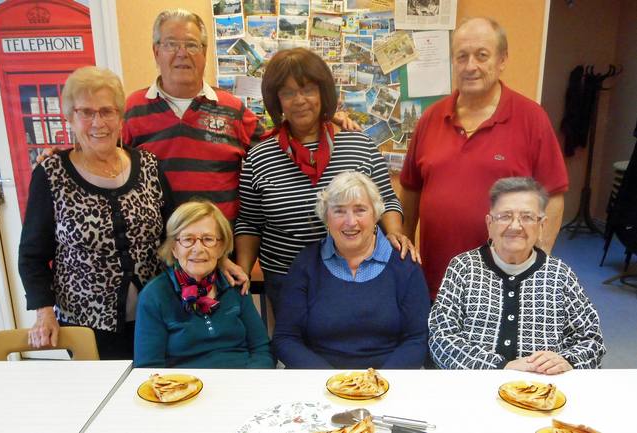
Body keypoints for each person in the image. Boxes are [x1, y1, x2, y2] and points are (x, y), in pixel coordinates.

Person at [123, 8, 358, 219]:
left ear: (204, 52)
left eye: (192, 45)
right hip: (156, 247)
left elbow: (279, 143)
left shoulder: (232, 108)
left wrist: (324, 120)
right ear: (156, 52)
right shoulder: (131, 109)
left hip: (221, 247)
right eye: (171, 44)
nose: (182, 53)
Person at [234, 48, 418, 314]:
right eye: (287, 92)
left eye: (307, 89)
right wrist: (244, 273)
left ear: (323, 93)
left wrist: (394, 233)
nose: (299, 100)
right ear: (277, 100)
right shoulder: (259, 156)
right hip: (286, 279)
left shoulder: (360, 144)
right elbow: (249, 221)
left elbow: (387, 200)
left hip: (357, 273)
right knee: (294, 348)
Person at [400, 17, 569, 300]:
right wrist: (404, 251)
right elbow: (411, 188)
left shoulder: (531, 118)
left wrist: (538, 260)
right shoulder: (431, 117)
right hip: (436, 282)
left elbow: (553, 195)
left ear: (502, 59)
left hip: (506, 285)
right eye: (461, 57)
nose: (470, 66)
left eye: (482, 55)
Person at [19, 66, 173, 359]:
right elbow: (31, 254)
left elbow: (175, 233)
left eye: (106, 111)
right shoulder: (51, 173)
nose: (97, 122)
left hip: (155, 313)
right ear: (70, 118)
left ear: (120, 116)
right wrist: (43, 311)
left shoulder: (149, 166)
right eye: (85, 112)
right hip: (86, 322)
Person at [429, 177, 605, 373]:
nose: (515, 226)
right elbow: (440, 338)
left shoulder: (559, 275)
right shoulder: (463, 268)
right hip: (475, 387)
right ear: (490, 223)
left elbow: (592, 341)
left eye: (527, 217)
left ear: (541, 225)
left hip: (541, 390)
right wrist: (502, 367)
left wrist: (567, 361)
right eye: (505, 216)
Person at [273, 171, 430, 369]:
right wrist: (334, 381)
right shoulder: (306, 264)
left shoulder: (404, 264)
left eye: (360, 210)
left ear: (375, 214)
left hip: (389, 383)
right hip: (318, 382)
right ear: (326, 218)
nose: (350, 221)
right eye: (339, 211)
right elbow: (286, 338)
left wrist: (375, 383)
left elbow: (417, 339)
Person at [134, 201, 274, 368]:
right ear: (174, 248)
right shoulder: (154, 295)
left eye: (208, 239)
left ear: (221, 247)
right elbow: (148, 367)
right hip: (186, 389)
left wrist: (249, 384)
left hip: (242, 383)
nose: (198, 248)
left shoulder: (235, 284)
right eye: (188, 239)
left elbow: (261, 349)